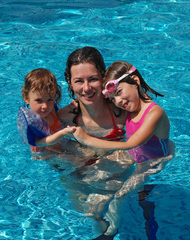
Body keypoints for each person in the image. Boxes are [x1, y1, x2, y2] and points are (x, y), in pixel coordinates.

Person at [72, 61, 175, 237]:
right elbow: (96, 105)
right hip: (135, 154)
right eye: (113, 99)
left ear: (135, 80)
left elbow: (131, 143)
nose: (118, 102)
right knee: (90, 173)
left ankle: (111, 232)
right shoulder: (129, 106)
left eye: (119, 93)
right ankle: (96, 213)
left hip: (153, 161)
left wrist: (87, 139)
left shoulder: (154, 113)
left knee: (120, 196)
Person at [57, 47, 131, 240]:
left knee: (99, 213)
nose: (87, 88)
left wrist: (102, 165)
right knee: (86, 212)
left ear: (104, 79)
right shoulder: (65, 118)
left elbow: (141, 148)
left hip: (114, 173)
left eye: (93, 79)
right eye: (79, 81)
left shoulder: (122, 113)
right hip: (80, 173)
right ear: (69, 83)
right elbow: (50, 152)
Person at [21, 68, 75, 152]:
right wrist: (63, 133)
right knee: (77, 161)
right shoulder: (34, 121)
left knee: (87, 150)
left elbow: (60, 119)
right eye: (39, 100)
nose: (45, 106)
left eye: (50, 100)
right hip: (47, 152)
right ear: (26, 98)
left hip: (60, 141)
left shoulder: (52, 109)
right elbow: (39, 143)